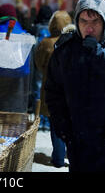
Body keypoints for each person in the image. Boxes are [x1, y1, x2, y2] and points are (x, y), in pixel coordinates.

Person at [45, 0, 105, 172]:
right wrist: (65, 131)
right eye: (84, 21)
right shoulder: (65, 50)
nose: (89, 28)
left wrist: (99, 53)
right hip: (82, 143)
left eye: (95, 22)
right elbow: (53, 92)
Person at [34, 10, 72, 167]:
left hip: (51, 88)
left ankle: (57, 158)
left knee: (55, 123)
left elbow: (38, 63)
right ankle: (72, 156)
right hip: (71, 90)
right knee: (72, 123)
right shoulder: (73, 41)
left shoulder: (46, 43)